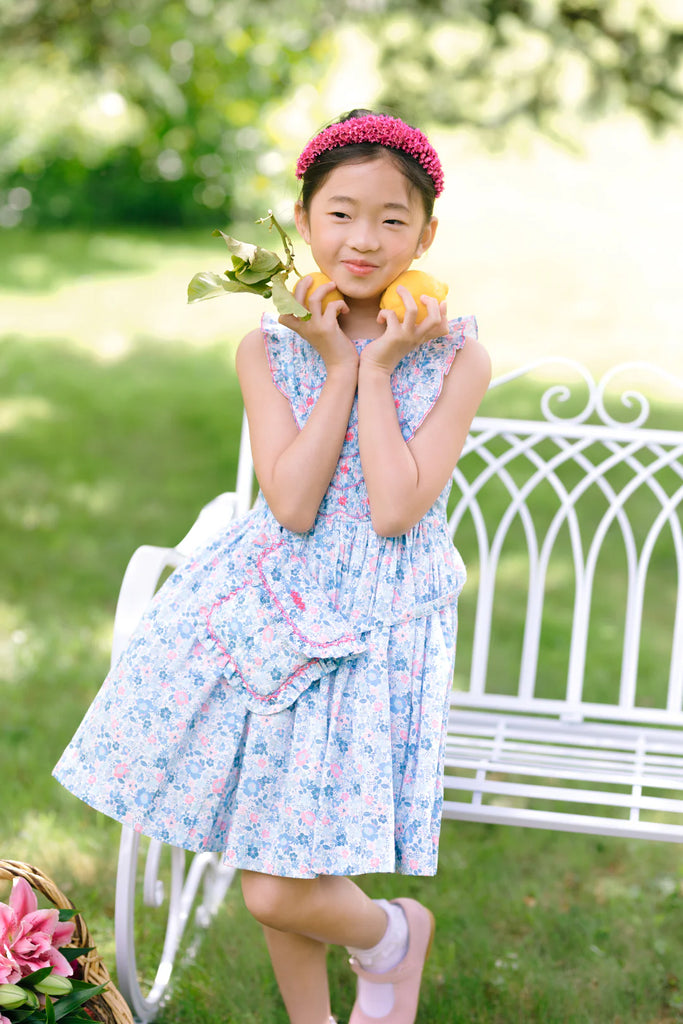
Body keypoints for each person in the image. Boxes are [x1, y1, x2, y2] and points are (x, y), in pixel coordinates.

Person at [53, 109, 491, 1024]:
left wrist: (379, 369)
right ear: (301, 218)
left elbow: (393, 508)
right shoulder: (268, 346)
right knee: (276, 847)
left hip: (375, 619)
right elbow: (290, 504)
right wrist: (336, 364)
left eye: (390, 219)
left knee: (278, 883)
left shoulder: (458, 358)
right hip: (269, 607)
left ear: (427, 234)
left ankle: (392, 938)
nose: (362, 240)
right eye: (339, 213)